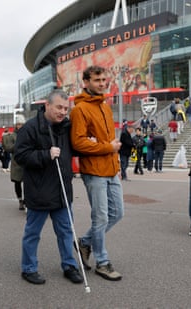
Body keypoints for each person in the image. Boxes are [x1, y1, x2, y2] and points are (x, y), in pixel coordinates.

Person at [14, 89, 83, 285]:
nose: (63, 112)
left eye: (65, 108)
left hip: (62, 191)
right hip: (40, 191)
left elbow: (76, 148)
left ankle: (69, 265)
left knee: (65, 232)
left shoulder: (67, 127)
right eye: (59, 107)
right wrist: (45, 154)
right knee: (32, 233)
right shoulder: (30, 128)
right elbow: (20, 155)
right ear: (47, 105)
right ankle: (28, 268)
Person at [70, 65, 124, 281]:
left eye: (103, 80)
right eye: (97, 80)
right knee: (100, 217)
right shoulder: (80, 109)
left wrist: (115, 161)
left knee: (118, 212)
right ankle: (102, 262)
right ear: (86, 83)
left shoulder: (105, 106)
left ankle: (84, 242)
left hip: (111, 170)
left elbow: (107, 141)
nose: (102, 83)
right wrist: (108, 148)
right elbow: (78, 142)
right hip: (94, 171)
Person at [2, 115, 26, 211]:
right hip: (16, 162)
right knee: (17, 182)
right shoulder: (12, 136)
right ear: (15, 125)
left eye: (21, 124)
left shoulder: (27, 133)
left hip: (26, 162)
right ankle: (20, 200)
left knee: (28, 183)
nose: (19, 126)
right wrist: (18, 145)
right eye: (18, 124)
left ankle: (27, 200)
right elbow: (8, 148)